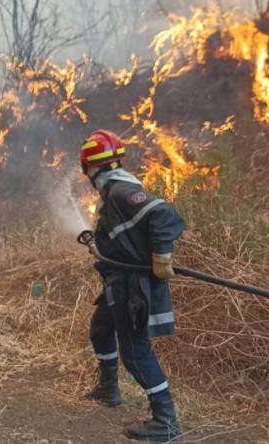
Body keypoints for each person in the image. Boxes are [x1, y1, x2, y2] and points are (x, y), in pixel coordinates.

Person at [81, 130, 186, 442]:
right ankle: (108, 389)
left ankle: (165, 422)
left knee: (136, 352)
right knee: (101, 328)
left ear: (91, 168)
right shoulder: (115, 191)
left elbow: (165, 215)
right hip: (118, 282)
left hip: (132, 286)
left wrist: (162, 257)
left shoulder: (119, 191)